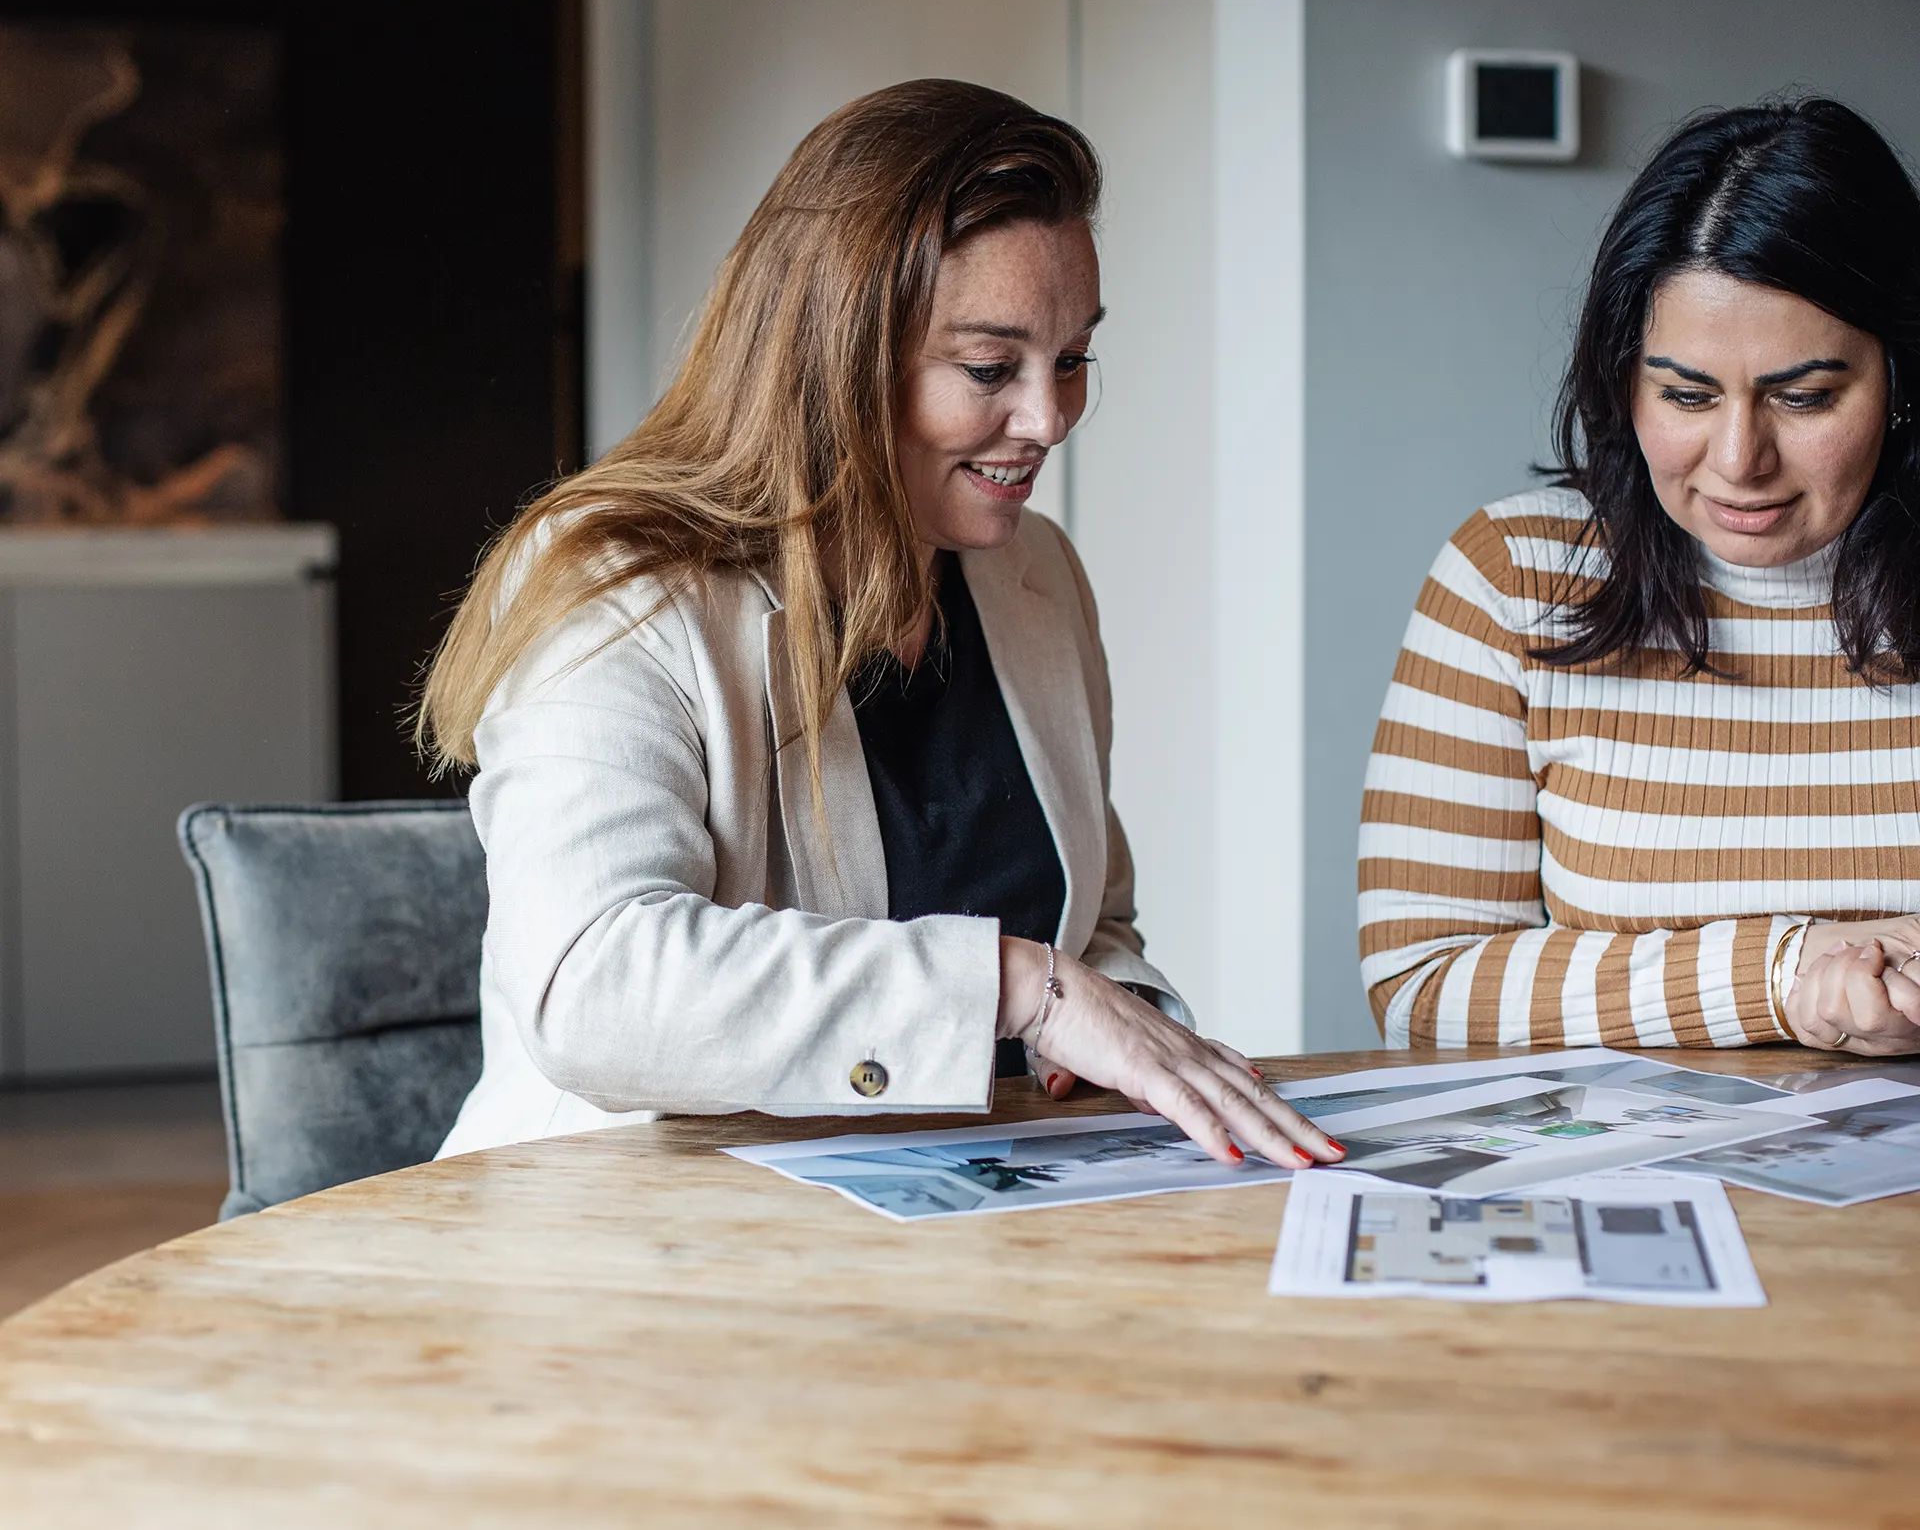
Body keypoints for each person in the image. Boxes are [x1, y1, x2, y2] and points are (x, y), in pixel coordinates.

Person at [422, 79, 1339, 1168]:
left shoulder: (1038, 578)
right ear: (842, 357)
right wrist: (1016, 991)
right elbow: (593, 987)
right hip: (647, 1243)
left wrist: (1120, 1022)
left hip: (964, 1219)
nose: (1049, 418)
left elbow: (1092, 927)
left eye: (1075, 357)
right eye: (991, 367)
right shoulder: (620, 586)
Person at [1360, 96, 1920, 1058]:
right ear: (1625, 379)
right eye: (1686, 394)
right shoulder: (1515, 576)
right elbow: (1423, 981)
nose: (1740, 458)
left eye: (1806, 397)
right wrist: (1784, 977)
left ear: (1902, 380)